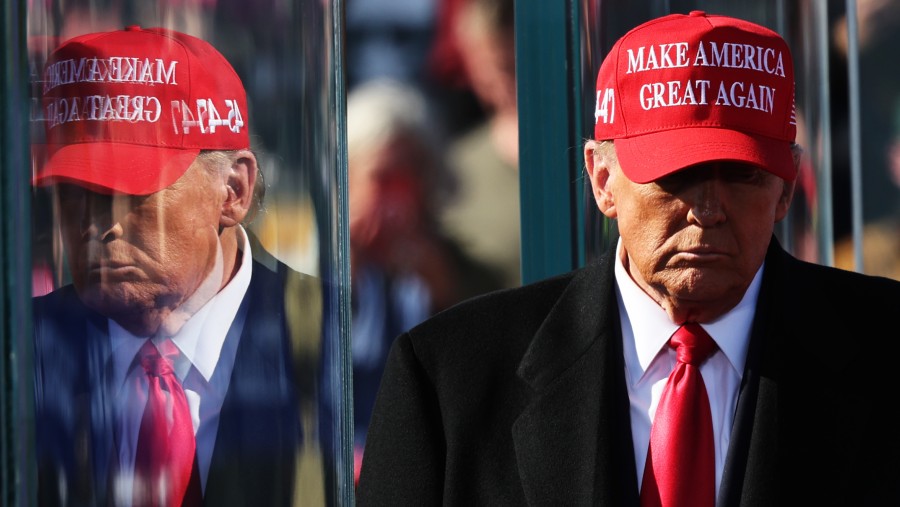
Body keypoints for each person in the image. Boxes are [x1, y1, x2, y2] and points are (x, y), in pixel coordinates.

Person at [356, 11, 900, 505]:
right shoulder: (450, 381)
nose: (707, 209)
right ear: (602, 179)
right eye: (674, 176)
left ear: (786, 189)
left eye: (742, 174)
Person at [31, 26, 329, 506]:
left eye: (130, 192)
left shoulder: (342, 344)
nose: (96, 227)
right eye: (72, 194)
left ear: (233, 190)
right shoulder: (22, 355)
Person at [346, 78, 504, 481]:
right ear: (346, 179)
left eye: (409, 178)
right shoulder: (319, 267)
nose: (397, 200)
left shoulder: (459, 266)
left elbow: (493, 368)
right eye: (382, 179)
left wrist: (444, 287)